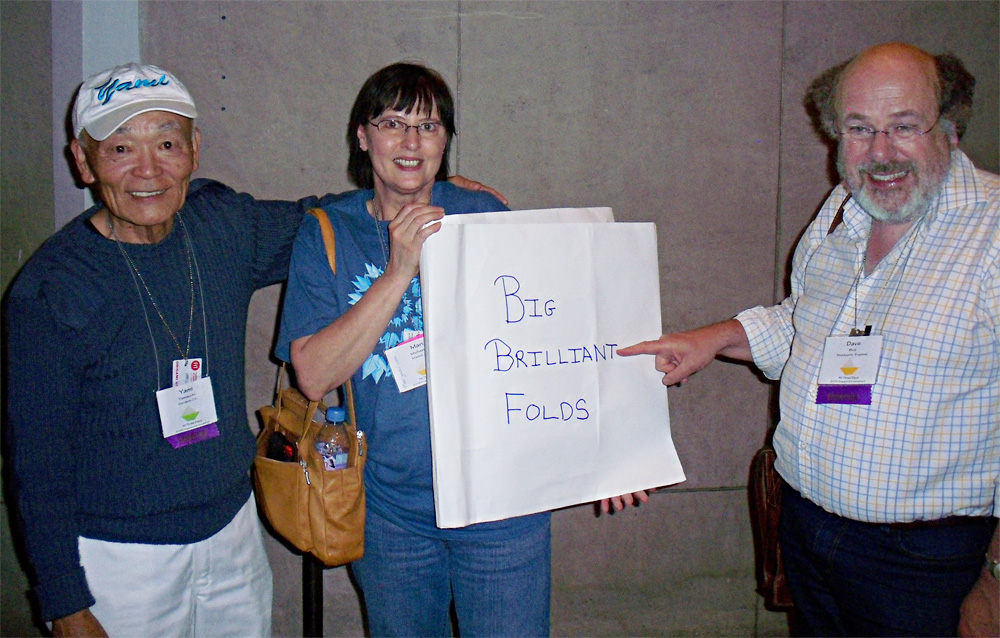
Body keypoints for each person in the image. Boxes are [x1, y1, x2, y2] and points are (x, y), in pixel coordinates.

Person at [4, 61, 501, 637]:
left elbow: (322, 217)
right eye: (120, 149)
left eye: (167, 143)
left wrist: (427, 186)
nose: (148, 170)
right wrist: (64, 601)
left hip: (233, 534)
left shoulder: (221, 225)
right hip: (120, 558)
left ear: (194, 148)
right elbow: (35, 462)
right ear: (82, 160)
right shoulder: (52, 289)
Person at [620, 42, 998, 637]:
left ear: (949, 129)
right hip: (808, 531)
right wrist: (715, 339)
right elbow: (806, 324)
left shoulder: (993, 235)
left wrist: (994, 580)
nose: (881, 153)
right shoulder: (843, 211)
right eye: (859, 129)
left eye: (904, 127)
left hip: (925, 566)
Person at [275, 62, 554, 637]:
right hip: (390, 510)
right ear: (362, 135)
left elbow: (552, 345)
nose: (409, 142)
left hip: (501, 503)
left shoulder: (485, 215)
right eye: (391, 122)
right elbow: (313, 374)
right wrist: (398, 271)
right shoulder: (326, 232)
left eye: (427, 126)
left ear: (446, 141)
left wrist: (606, 448)